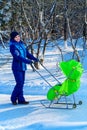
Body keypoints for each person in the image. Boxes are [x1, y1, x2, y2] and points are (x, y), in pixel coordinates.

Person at [9, 31, 38, 105]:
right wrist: (28, 61)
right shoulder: (13, 46)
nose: (18, 38)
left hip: (23, 67)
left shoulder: (21, 44)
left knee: (21, 84)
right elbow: (18, 57)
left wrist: (35, 59)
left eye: (18, 36)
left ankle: (21, 99)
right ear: (13, 38)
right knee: (19, 83)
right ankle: (13, 98)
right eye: (16, 37)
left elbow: (27, 54)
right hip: (16, 67)